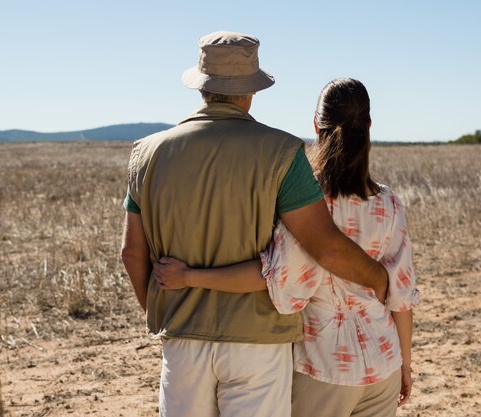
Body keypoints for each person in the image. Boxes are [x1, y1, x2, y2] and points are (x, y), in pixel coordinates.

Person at [120, 32, 389, 417]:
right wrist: (378, 277)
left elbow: (132, 253)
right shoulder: (281, 151)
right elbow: (324, 245)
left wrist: (167, 312)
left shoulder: (147, 153)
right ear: (252, 90)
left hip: (181, 337)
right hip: (260, 343)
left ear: (202, 87)